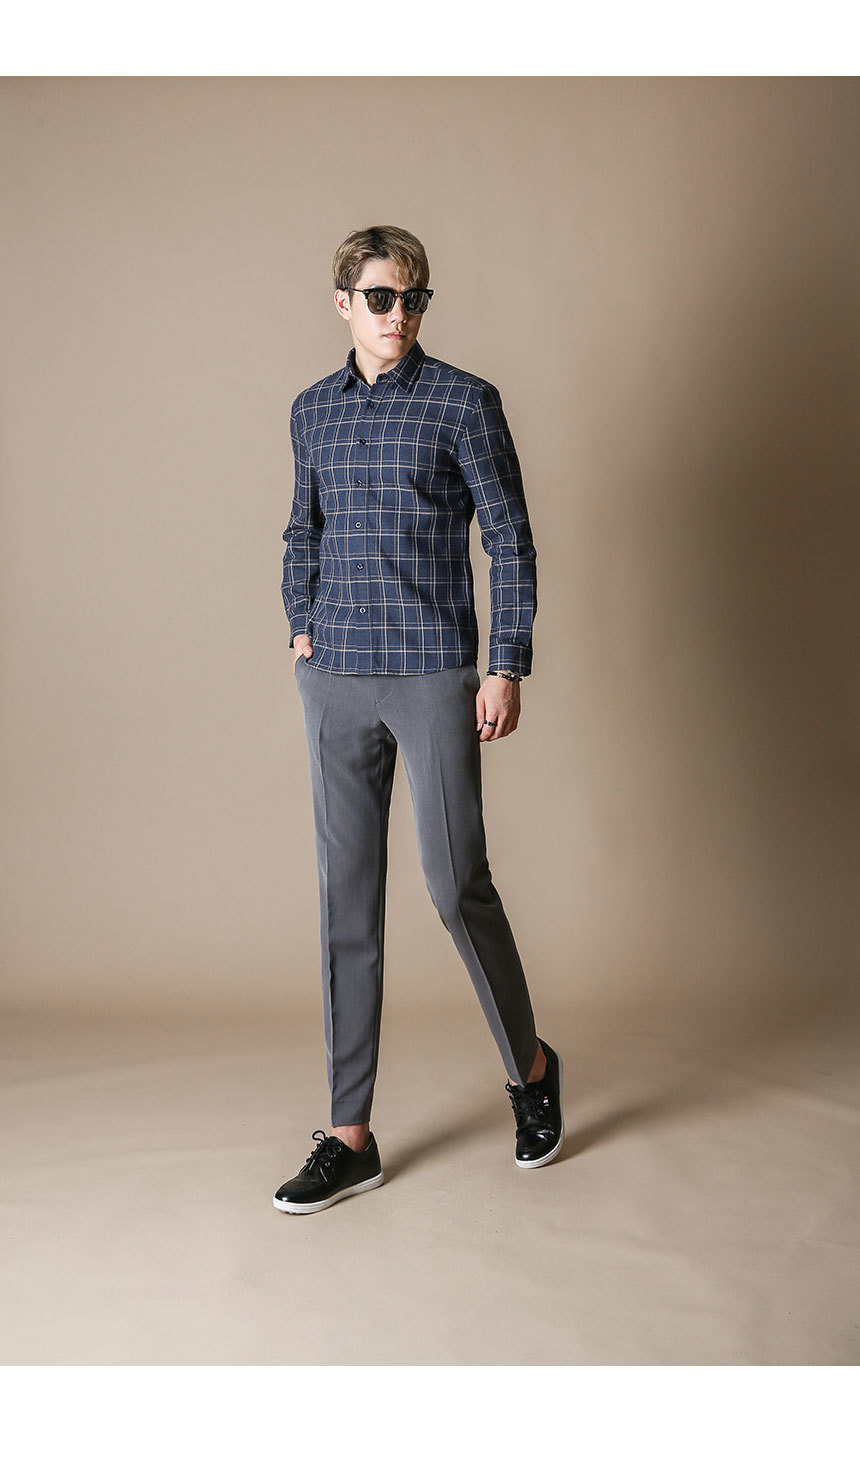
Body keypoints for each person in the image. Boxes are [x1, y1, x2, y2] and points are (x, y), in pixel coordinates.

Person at [273, 225, 563, 1215]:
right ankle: (349, 1134)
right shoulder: (312, 411)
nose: (400, 314)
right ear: (344, 303)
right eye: (382, 297)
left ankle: (530, 1069)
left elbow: (509, 538)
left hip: (435, 673)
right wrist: (300, 623)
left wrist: (504, 663)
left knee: (453, 885)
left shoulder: (463, 402)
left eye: (414, 298)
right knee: (345, 900)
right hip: (335, 679)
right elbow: (301, 527)